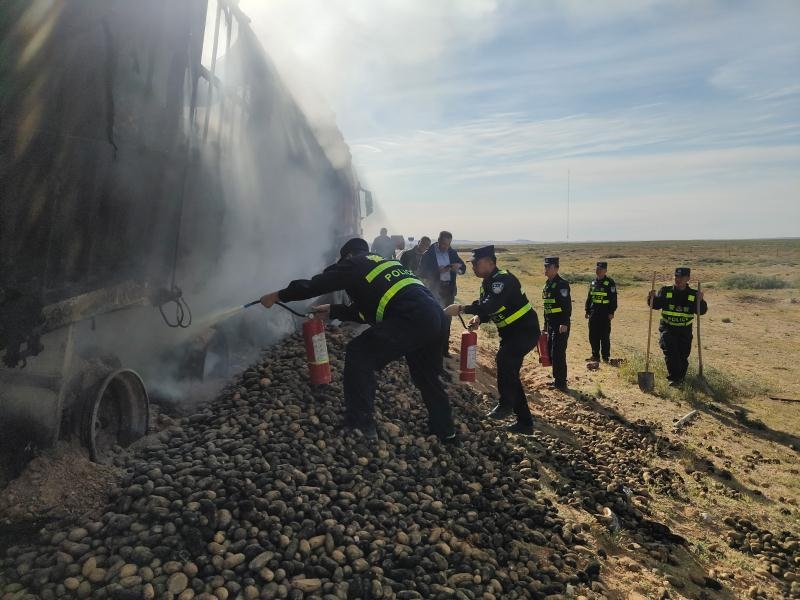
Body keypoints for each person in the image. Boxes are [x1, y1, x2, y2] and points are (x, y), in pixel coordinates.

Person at [259, 238, 456, 441]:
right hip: (435, 317)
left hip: (412, 317)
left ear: (348, 256)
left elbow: (316, 285)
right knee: (427, 377)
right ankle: (446, 432)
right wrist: (333, 310)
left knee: (360, 353)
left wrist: (278, 295)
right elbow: (370, 310)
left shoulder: (355, 262)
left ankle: (361, 426)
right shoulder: (383, 263)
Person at [444, 245, 541, 435]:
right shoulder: (488, 283)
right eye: (472, 264)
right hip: (510, 334)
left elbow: (491, 305)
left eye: (476, 263)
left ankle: (506, 405)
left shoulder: (502, 280)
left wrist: (461, 309)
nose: (473, 267)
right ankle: (525, 423)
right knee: (510, 374)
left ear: (490, 262)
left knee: (504, 361)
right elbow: (487, 308)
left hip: (525, 331)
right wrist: (479, 318)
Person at [647, 267, 707, 386]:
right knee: (670, 352)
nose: (678, 279)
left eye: (681, 277)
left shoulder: (693, 294)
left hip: (685, 330)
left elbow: (701, 311)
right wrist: (651, 298)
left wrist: (701, 301)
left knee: (683, 355)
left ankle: (680, 379)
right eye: (676, 276)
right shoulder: (665, 291)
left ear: (688, 278)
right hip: (668, 328)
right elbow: (656, 305)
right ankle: (674, 378)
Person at [419, 231, 466, 360]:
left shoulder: (452, 253)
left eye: (448, 244)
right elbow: (422, 272)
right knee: (434, 319)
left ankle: (444, 350)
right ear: (439, 241)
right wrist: (437, 271)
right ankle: (432, 350)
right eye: (444, 244)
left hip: (448, 291)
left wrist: (458, 267)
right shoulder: (429, 254)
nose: (446, 247)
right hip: (434, 290)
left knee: (447, 320)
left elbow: (463, 268)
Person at [542, 256, 571, 391]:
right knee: (551, 352)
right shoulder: (547, 285)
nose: (545, 269)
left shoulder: (562, 284)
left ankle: (561, 382)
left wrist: (564, 323)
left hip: (560, 324)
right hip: (551, 323)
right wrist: (545, 326)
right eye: (545, 266)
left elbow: (566, 305)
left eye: (548, 266)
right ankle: (556, 379)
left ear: (555, 268)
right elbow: (547, 307)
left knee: (558, 353)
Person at [584, 261, 618, 362]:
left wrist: (611, 312)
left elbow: (613, 298)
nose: (598, 270)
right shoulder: (593, 282)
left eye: (601, 269)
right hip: (593, 313)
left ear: (605, 270)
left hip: (605, 313)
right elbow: (589, 297)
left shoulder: (610, 283)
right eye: (597, 268)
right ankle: (595, 355)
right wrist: (587, 310)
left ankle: (605, 356)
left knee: (604, 336)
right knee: (593, 335)